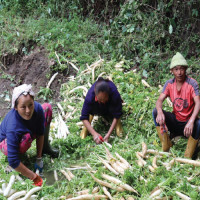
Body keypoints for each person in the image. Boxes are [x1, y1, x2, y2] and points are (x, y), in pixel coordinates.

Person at [0, 84, 59, 186]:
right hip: (6, 142)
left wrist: (39, 158)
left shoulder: (37, 110)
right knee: (25, 140)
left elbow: (40, 133)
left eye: (30, 105)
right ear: (16, 107)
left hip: (28, 131)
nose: (28, 110)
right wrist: (33, 176)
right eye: (23, 107)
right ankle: (20, 157)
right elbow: (13, 160)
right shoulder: (13, 126)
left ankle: (45, 148)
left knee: (47, 108)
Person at [152, 52, 200, 158]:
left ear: (185, 69)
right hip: (175, 122)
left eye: (182, 69)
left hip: (188, 125)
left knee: (199, 123)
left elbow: (198, 103)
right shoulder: (169, 84)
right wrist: (160, 112)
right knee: (155, 112)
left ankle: (188, 155)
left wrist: (191, 121)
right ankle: (166, 144)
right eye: (176, 69)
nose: (179, 72)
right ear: (172, 71)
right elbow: (159, 101)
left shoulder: (192, 84)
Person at [80, 77, 123, 144]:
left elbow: (117, 114)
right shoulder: (90, 96)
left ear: (108, 94)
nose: (103, 101)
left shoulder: (114, 93)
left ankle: (118, 123)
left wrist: (108, 135)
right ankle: (88, 125)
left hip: (110, 108)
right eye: (100, 99)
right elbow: (83, 117)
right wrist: (94, 134)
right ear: (95, 95)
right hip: (96, 108)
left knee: (117, 113)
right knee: (89, 111)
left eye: (105, 99)